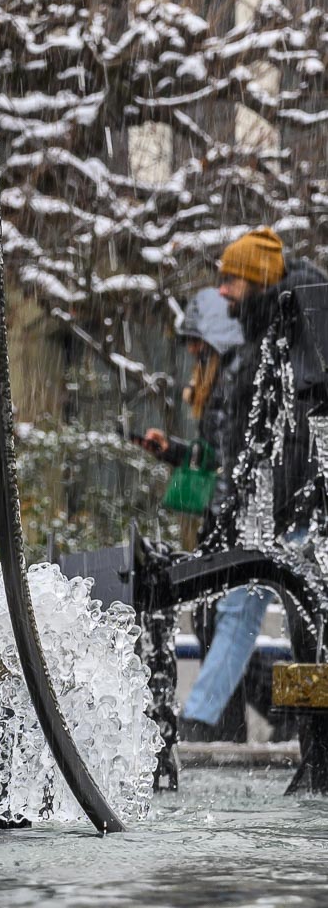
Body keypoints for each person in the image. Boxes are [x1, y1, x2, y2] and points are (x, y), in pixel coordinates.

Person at [177, 227, 325, 739]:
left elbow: (293, 428)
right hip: (269, 507)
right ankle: (202, 718)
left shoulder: (293, 329)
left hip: (298, 506)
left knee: (306, 618)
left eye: (232, 280)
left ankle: (298, 728)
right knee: (245, 608)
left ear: (258, 280)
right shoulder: (263, 337)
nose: (223, 291)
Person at [139, 287, 242, 533]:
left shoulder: (231, 385)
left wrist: (217, 521)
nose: (191, 349)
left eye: (196, 341)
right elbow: (214, 454)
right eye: (188, 341)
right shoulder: (214, 386)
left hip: (231, 518)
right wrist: (170, 449)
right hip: (224, 515)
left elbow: (231, 462)